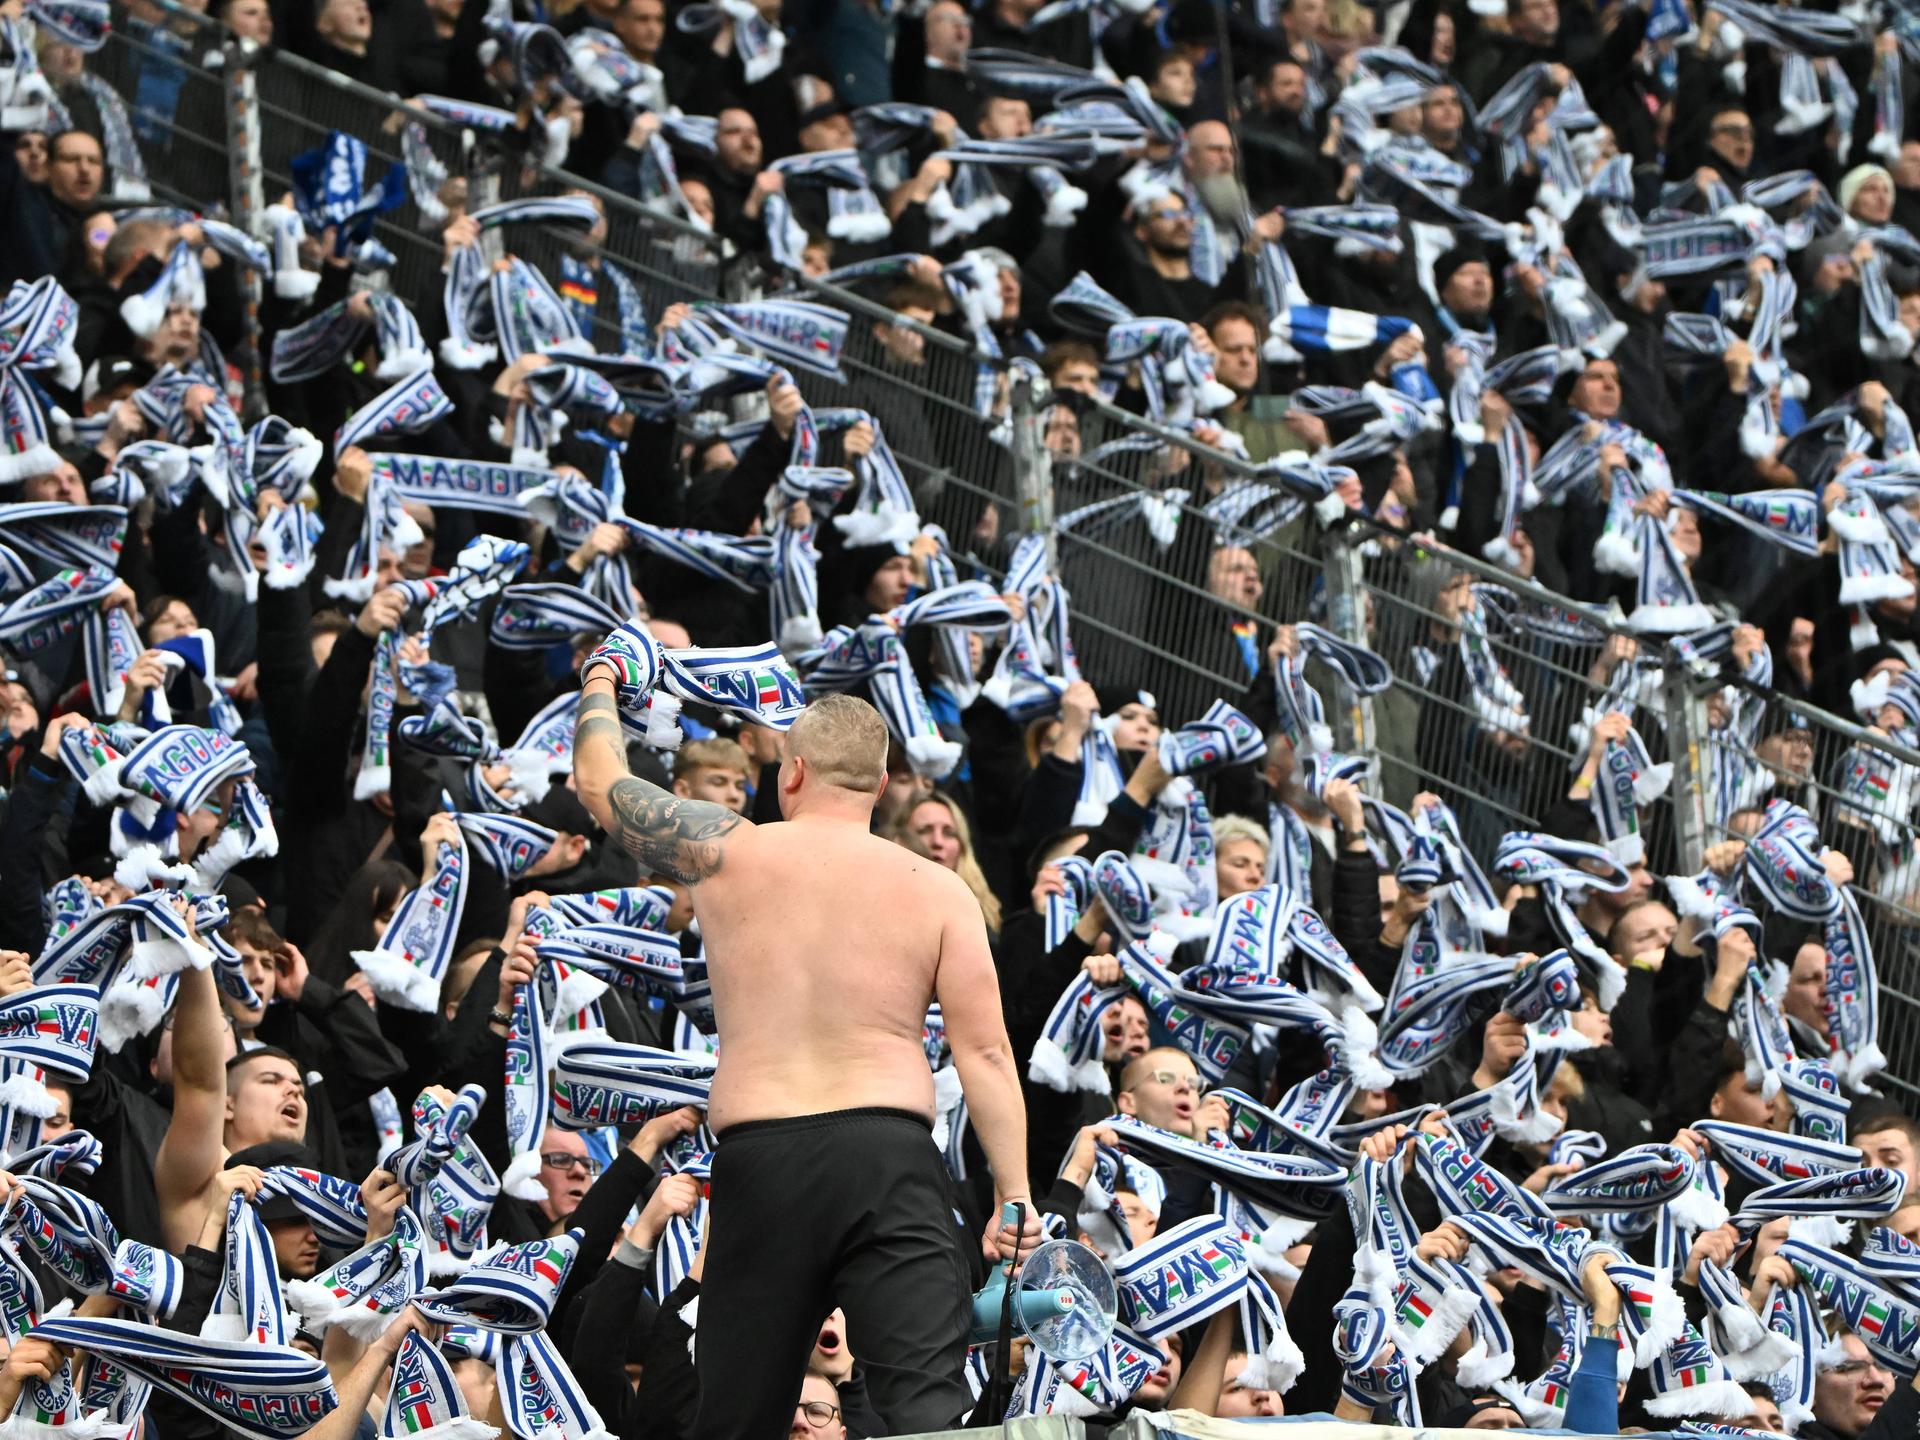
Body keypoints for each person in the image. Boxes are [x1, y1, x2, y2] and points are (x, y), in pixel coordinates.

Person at [570, 666, 1041, 1437]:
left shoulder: (725, 851)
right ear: (884, 784)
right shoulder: (939, 889)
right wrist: (1013, 1195)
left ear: (792, 772)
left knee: (735, 1421)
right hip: (889, 1157)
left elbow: (599, 783)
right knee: (930, 1413)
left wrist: (601, 678)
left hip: (763, 1159)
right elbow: (985, 1054)